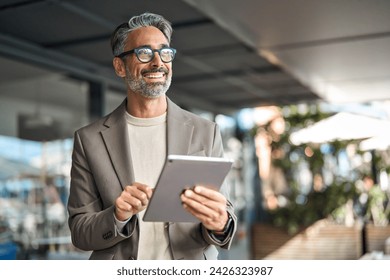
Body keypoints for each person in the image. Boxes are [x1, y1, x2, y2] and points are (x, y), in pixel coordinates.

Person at [67, 12, 236, 260]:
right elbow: (80, 232)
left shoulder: (205, 131)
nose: (158, 62)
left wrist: (221, 223)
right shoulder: (89, 140)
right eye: (144, 53)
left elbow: (226, 211)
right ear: (119, 66)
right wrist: (117, 215)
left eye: (165, 52)